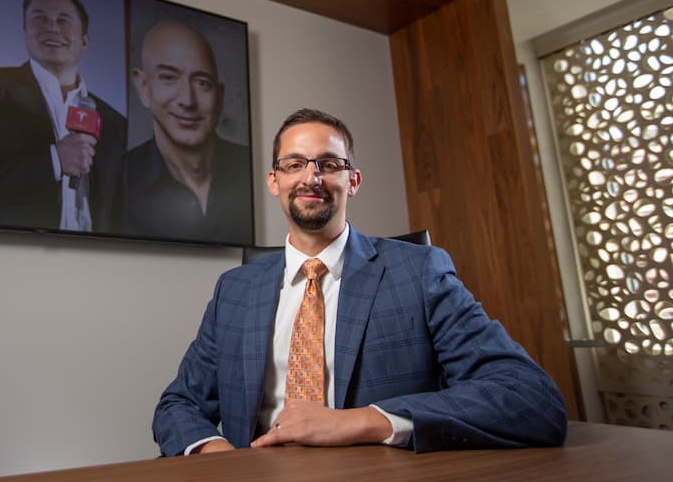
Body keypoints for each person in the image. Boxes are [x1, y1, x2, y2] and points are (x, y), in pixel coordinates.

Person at [153, 108, 568, 455]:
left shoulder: (419, 273)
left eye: (329, 164)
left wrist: (362, 422)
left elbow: (531, 397)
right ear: (274, 180)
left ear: (352, 181)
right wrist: (217, 456)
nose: (311, 177)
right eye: (294, 164)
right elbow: (179, 404)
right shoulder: (235, 290)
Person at [0, 0, 126, 232]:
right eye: (39, 18)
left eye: (63, 20)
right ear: (25, 30)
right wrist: (55, 161)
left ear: (84, 41)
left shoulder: (115, 122)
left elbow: (116, 213)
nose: (51, 28)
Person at [126, 20, 252, 244]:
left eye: (202, 83)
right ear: (143, 87)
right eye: (169, 78)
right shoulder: (116, 181)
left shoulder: (253, 170)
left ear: (220, 97)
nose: (187, 100)